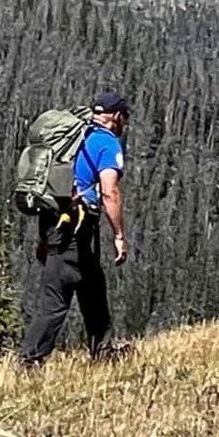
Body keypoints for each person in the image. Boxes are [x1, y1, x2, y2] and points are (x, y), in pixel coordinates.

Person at [19, 90, 132, 366]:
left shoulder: (76, 135)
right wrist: (119, 235)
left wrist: (45, 239)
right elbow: (110, 192)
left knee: (93, 285)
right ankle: (30, 359)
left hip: (58, 220)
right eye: (124, 118)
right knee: (56, 295)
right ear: (116, 117)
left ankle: (103, 351)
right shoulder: (106, 143)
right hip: (74, 226)